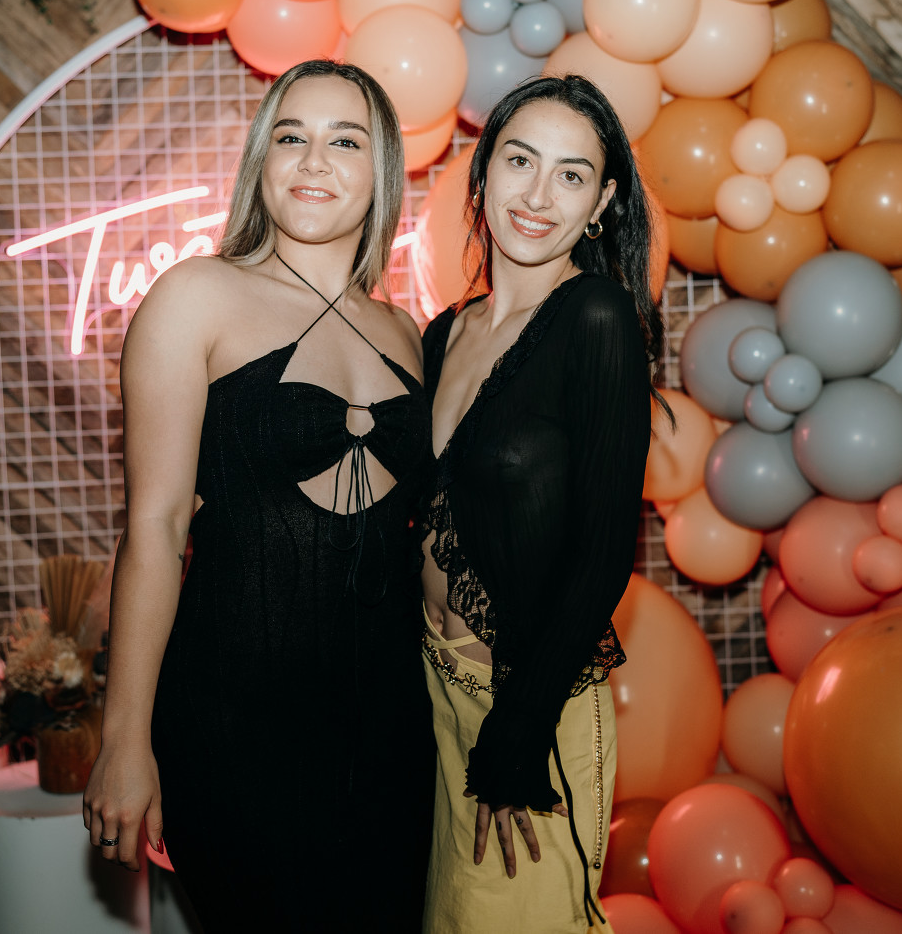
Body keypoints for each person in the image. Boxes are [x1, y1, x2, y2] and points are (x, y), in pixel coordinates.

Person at [83, 59, 435, 932]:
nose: (313, 160)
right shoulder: (195, 296)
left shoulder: (409, 333)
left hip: (393, 732)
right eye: (291, 136)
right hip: (233, 725)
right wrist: (124, 738)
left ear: (382, 172)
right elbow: (155, 528)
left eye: (344, 141)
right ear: (260, 161)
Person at [420, 76, 664, 933]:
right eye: (520, 161)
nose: (537, 194)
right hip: (431, 689)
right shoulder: (444, 331)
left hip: (529, 699)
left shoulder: (596, 318)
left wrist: (519, 729)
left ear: (600, 203)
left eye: (571, 175)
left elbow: (603, 553)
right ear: (482, 174)